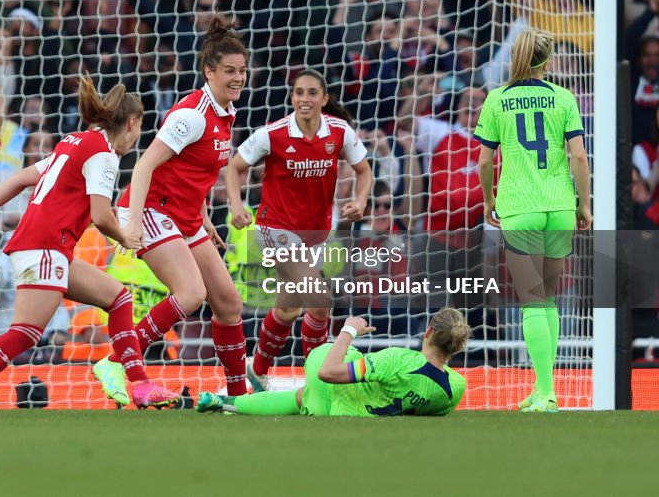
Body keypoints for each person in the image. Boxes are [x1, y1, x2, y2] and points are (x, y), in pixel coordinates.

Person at [0, 77, 181, 418]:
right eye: (140, 128)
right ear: (131, 123)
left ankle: (140, 386)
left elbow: (21, 177)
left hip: (49, 247)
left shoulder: (74, 141)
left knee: (118, 298)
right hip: (44, 247)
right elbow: (100, 213)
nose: (138, 136)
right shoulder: (103, 155)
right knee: (25, 331)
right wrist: (125, 236)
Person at [94, 17, 249, 403]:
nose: (238, 78)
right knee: (191, 293)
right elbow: (145, 165)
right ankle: (115, 360)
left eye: (242, 70)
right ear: (208, 71)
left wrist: (207, 220)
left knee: (228, 302)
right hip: (150, 209)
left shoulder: (226, 113)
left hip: (184, 216)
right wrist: (128, 224)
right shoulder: (191, 115)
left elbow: (193, 171)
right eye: (229, 71)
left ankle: (237, 396)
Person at [225, 70, 373, 391]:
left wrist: (361, 199)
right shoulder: (273, 134)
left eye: (311, 93)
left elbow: (364, 171)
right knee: (319, 300)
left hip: (315, 233)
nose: (304, 100)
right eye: (298, 93)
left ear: (324, 99)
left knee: (289, 308)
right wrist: (237, 206)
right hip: (274, 228)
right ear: (292, 98)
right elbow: (235, 167)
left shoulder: (339, 132)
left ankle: (258, 369)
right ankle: (319, 379)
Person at [474, 27, 592, 413]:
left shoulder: (497, 99)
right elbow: (578, 157)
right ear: (547, 61)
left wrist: (490, 199)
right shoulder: (563, 97)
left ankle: (546, 392)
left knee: (532, 302)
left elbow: (486, 160)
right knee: (550, 299)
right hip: (559, 204)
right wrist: (583, 205)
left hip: (520, 206)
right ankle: (545, 389)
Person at [197, 309, 469, 417]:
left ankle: (236, 395)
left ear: (429, 332)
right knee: (304, 396)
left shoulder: (398, 359)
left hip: (328, 386)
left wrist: (348, 331)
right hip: (344, 412)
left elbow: (328, 372)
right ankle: (225, 402)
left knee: (335, 356)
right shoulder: (455, 387)